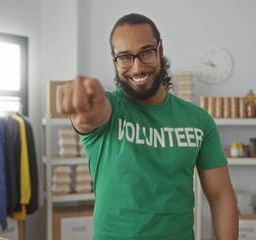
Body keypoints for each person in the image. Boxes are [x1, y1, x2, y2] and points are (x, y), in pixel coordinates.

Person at [57, 13, 238, 240]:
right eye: (125, 57)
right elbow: (90, 115)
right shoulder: (110, 109)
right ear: (115, 61)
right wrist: (83, 105)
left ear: (160, 50)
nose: (137, 67)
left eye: (146, 53)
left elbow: (221, 196)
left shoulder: (199, 120)